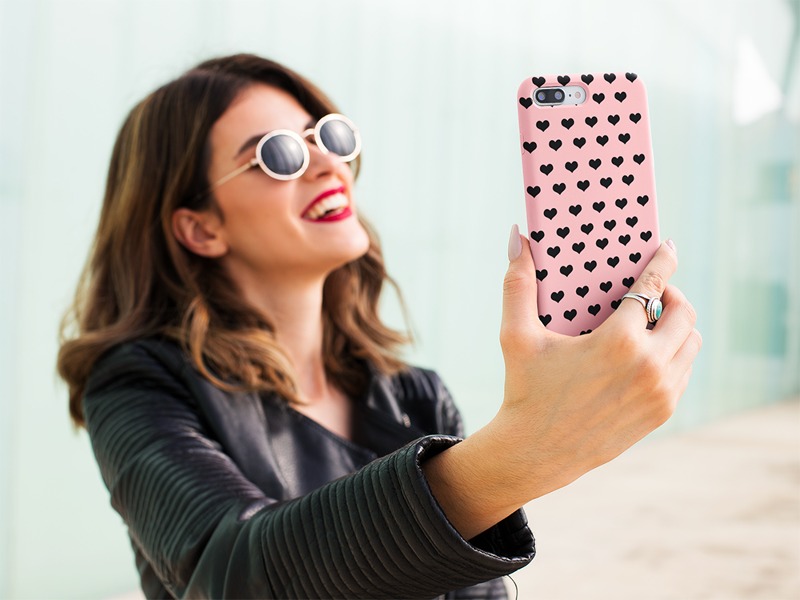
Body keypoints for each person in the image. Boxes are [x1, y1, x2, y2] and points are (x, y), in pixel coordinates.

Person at [57, 53, 701, 599]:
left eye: (328, 137)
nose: (326, 165)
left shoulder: (415, 396)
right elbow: (232, 572)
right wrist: (520, 452)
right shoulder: (137, 384)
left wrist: (523, 451)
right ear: (200, 228)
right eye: (279, 155)